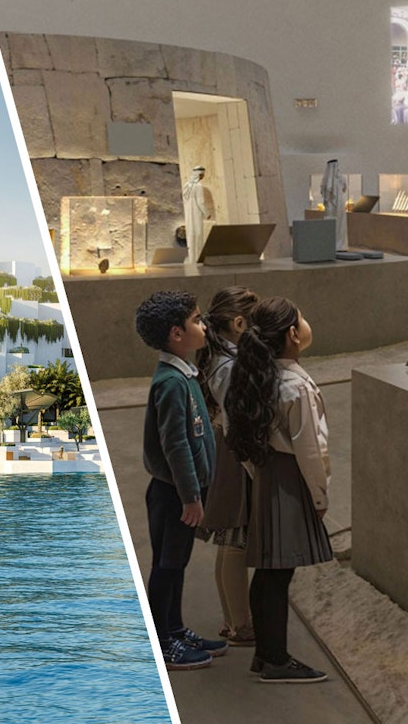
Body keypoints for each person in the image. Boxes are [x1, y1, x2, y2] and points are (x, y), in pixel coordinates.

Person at [224, 296, 333, 684]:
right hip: (291, 482)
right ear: (292, 334)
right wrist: (319, 497)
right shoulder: (294, 386)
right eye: (302, 318)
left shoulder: (258, 375)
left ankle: (266, 655)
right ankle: (275, 659)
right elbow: (311, 449)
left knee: (271, 572)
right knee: (277, 573)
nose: (306, 323)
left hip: (268, 477)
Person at [135, 289, 228, 670]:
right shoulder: (172, 383)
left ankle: (174, 628)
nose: (203, 326)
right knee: (167, 565)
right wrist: (191, 496)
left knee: (178, 562)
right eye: (196, 320)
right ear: (176, 333)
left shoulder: (183, 374)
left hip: (183, 493)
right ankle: (162, 641)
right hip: (173, 494)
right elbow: (175, 446)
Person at [195, 286, 260, 647]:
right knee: (235, 540)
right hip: (235, 456)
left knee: (228, 542)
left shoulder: (215, 356)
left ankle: (232, 620)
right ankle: (241, 624)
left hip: (223, 449)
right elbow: (238, 419)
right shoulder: (230, 365)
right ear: (238, 323)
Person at [182, 166, 211, 263]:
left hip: (188, 215)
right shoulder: (198, 186)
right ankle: (198, 260)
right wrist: (207, 214)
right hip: (196, 214)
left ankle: (191, 260)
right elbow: (200, 202)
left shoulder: (187, 185)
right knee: (198, 236)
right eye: (203, 174)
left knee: (191, 236)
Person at [320, 159, 348, 250]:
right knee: (337, 224)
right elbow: (344, 188)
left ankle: (336, 244)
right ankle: (338, 244)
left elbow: (324, 192)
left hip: (333, 205)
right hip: (337, 203)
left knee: (337, 223)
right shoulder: (341, 177)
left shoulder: (325, 179)